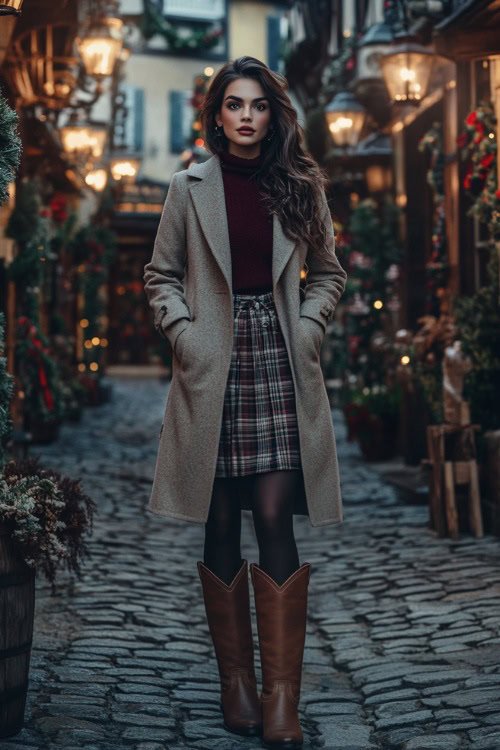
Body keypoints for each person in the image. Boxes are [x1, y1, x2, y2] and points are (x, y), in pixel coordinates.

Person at [144, 55, 347, 750]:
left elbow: (328, 274)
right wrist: (187, 335)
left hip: (281, 363)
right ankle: (236, 682)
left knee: (272, 511)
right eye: (235, 105)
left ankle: (280, 694)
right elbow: (161, 275)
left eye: (258, 105)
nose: (247, 117)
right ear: (217, 114)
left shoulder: (299, 185)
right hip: (214, 363)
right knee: (224, 512)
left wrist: (311, 327)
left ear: (273, 114)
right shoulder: (186, 187)